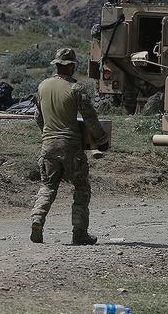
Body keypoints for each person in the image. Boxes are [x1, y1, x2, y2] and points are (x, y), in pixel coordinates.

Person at [30, 48, 109, 245]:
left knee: (47, 186)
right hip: (71, 146)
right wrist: (101, 139)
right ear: (72, 66)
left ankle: (37, 220)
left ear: (56, 65)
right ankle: (79, 233)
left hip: (47, 145)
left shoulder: (42, 86)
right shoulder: (76, 88)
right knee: (81, 187)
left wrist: (47, 135)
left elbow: (38, 117)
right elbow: (90, 118)